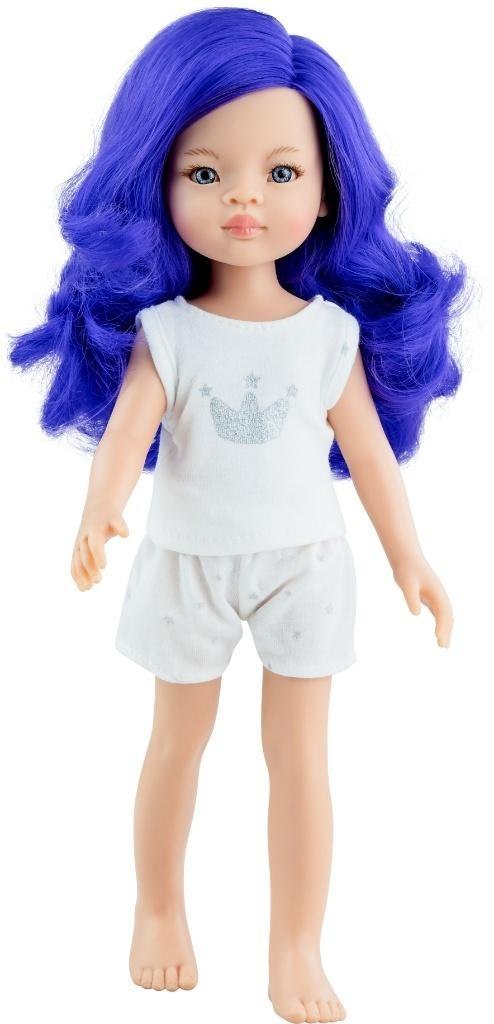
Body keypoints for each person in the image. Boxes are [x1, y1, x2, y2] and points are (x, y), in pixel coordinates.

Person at [8, 9, 470, 1023]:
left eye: (281, 172)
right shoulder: (166, 332)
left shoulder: (329, 334)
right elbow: (128, 433)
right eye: (207, 173)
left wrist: (411, 557)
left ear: (326, 188)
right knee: (176, 744)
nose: (245, 199)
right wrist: (97, 511)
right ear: (159, 184)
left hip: (307, 562)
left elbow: (372, 459)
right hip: (186, 561)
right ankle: (157, 906)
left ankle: (295, 945)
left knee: (299, 758)